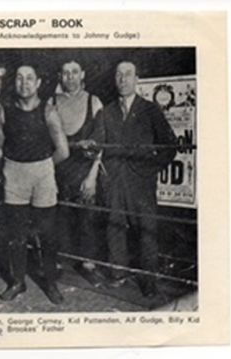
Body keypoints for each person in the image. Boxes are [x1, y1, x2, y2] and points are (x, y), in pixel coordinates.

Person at [92, 61, 177, 297]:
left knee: (147, 230)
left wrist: (149, 171)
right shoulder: (106, 111)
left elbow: (170, 146)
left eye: (128, 74)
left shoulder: (150, 110)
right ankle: (118, 275)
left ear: (137, 79)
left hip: (141, 182)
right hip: (114, 181)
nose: (122, 79)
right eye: (118, 74)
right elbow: (98, 145)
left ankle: (149, 282)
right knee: (114, 228)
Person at [0, 63, 69, 304]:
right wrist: (13, 167)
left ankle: (50, 282)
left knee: (47, 233)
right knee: (15, 233)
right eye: (19, 78)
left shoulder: (48, 111)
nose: (24, 83)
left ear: (38, 82)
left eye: (30, 78)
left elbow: (63, 151)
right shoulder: (5, 111)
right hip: (14, 174)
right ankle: (18, 282)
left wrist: (43, 166)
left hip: (42, 173)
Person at [48, 59, 107, 287]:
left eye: (74, 72)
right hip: (58, 170)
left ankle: (88, 265)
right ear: (60, 76)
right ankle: (59, 263)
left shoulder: (94, 102)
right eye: (65, 73)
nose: (70, 77)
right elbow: (46, 142)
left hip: (84, 170)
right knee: (58, 217)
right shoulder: (52, 103)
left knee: (87, 219)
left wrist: (92, 176)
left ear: (82, 74)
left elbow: (101, 142)